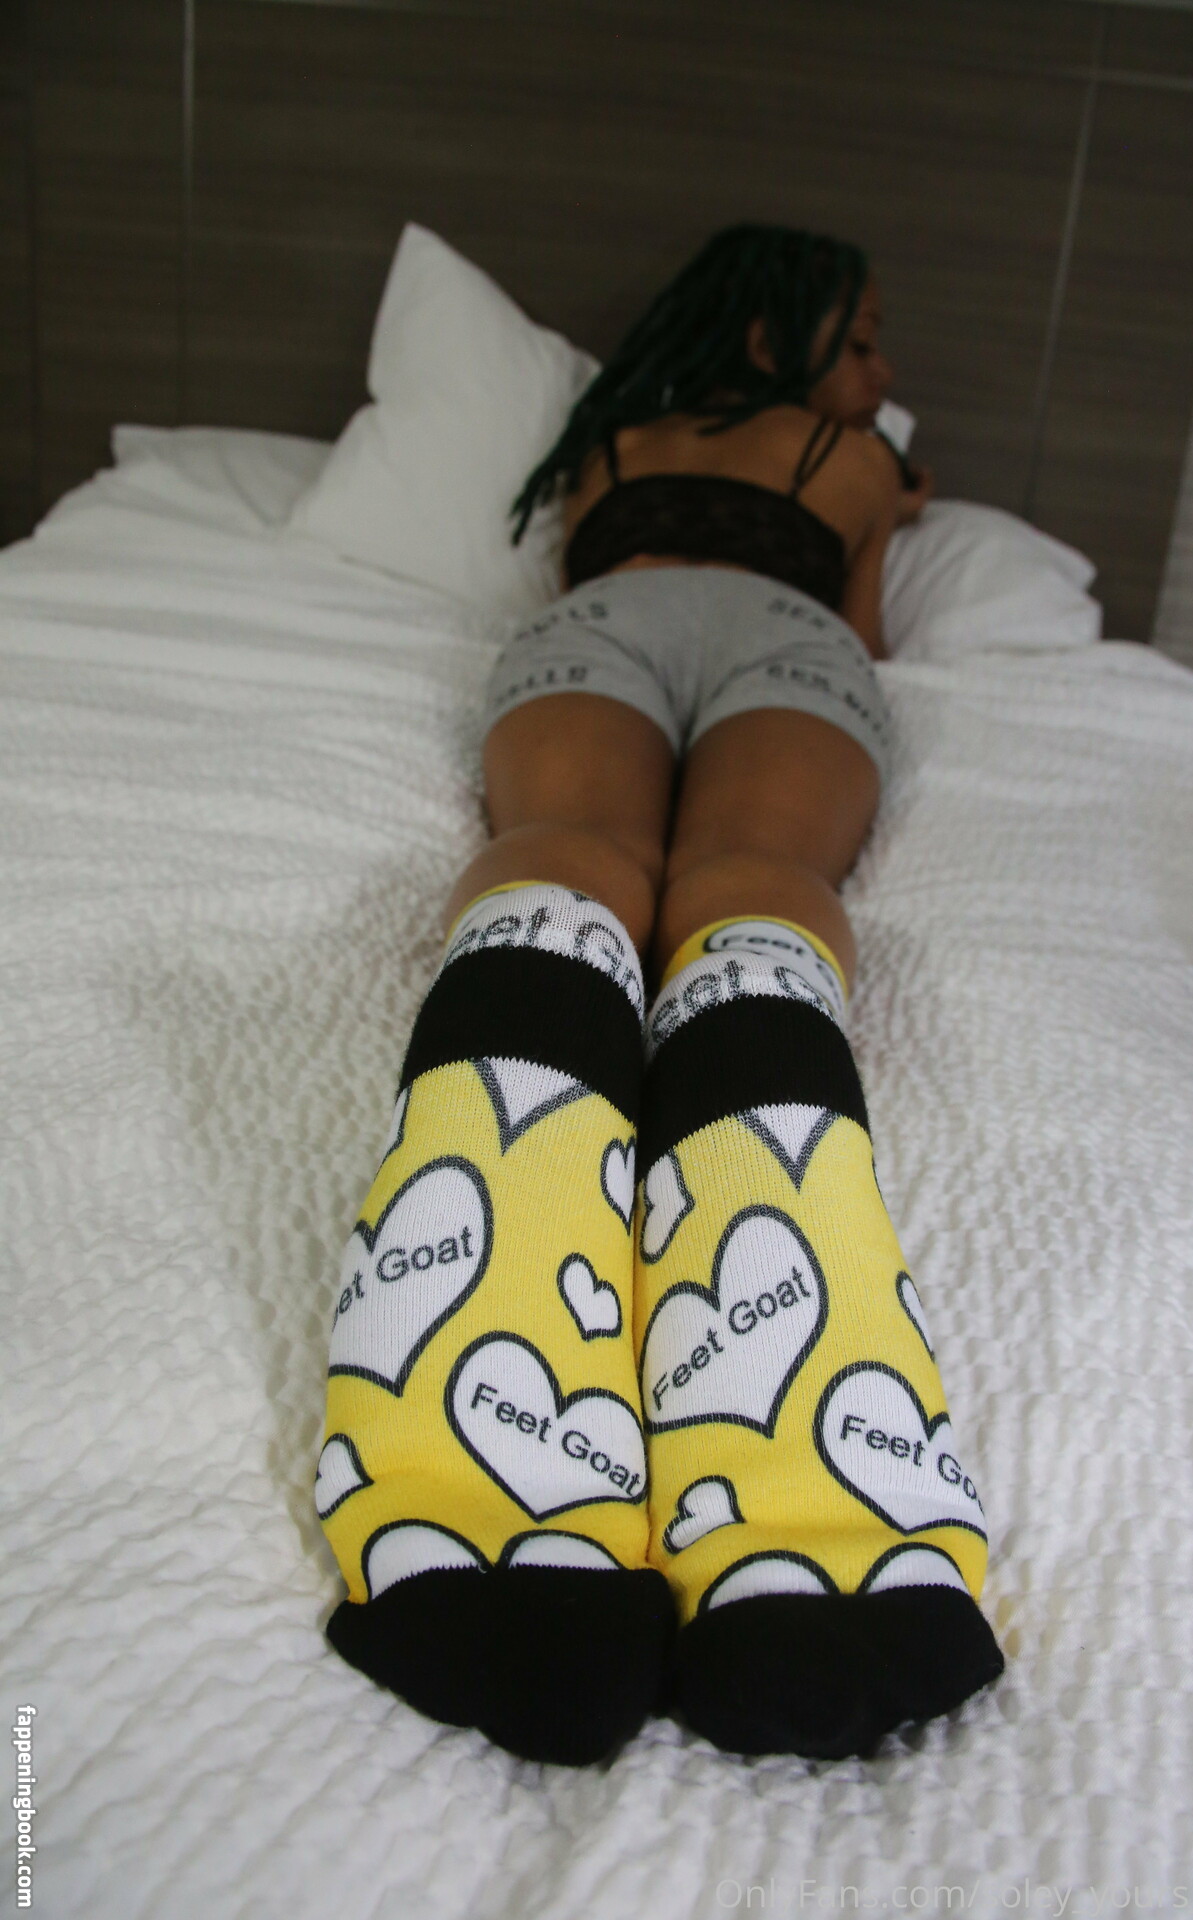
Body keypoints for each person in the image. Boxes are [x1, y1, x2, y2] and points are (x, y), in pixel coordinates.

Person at [315, 225, 1004, 1768]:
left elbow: (582, 568)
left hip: (601, 624)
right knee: (752, 882)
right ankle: (805, 1455)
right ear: (772, 338)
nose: (885, 369)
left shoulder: (608, 448)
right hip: (793, 640)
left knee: (571, 858)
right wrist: (885, 509)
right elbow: (871, 636)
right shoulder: (856, 460)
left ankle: (471, 1408)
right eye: (863, 336)